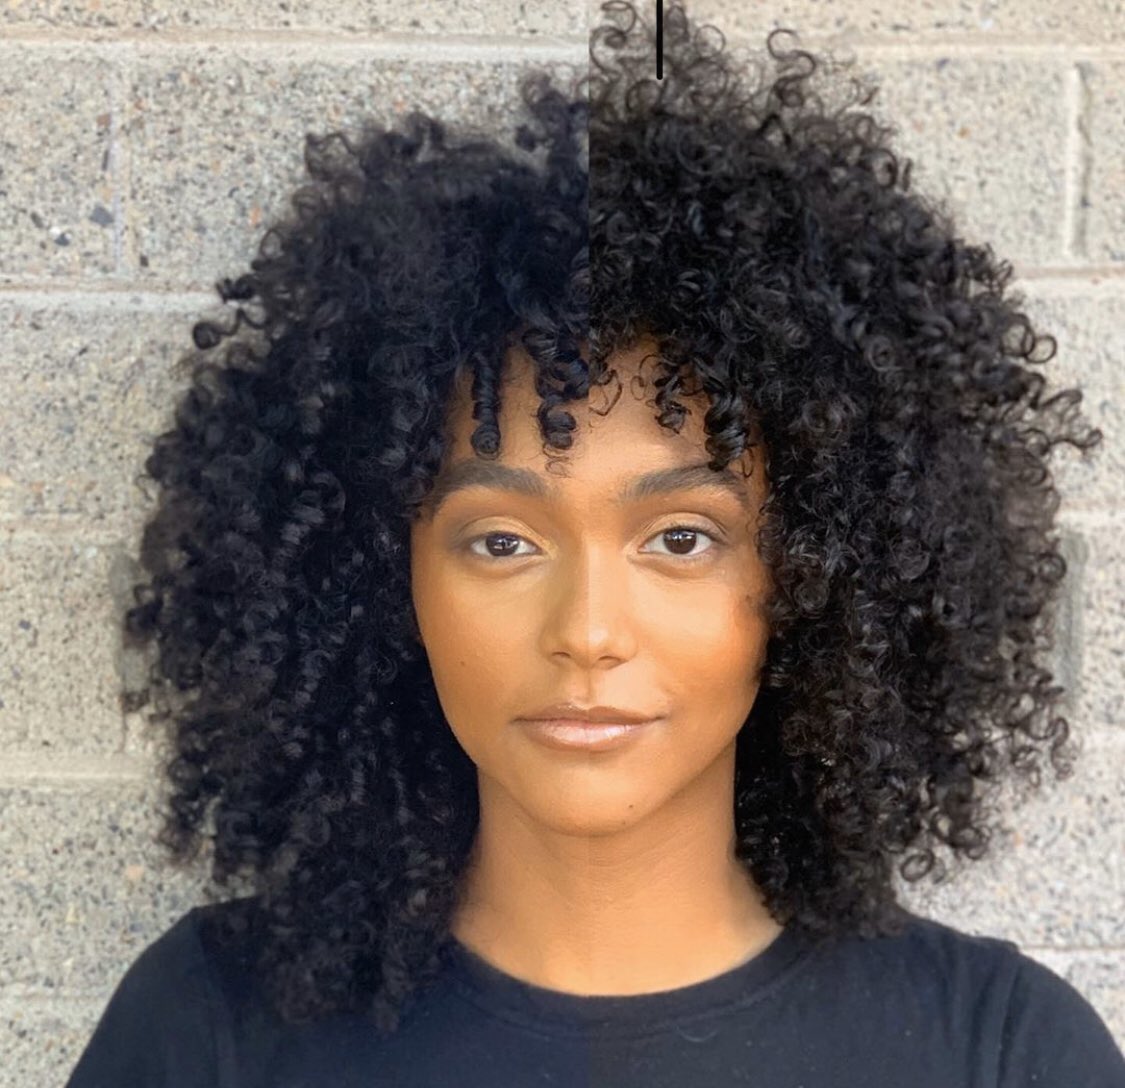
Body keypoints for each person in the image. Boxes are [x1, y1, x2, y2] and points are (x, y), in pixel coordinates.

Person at [65, 2, 1125, 1086]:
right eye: (500, 542)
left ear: (815, 578)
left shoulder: (1001, 1052)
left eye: (680, 536)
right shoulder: (210, 1029)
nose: (586, 630)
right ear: (386, 579)